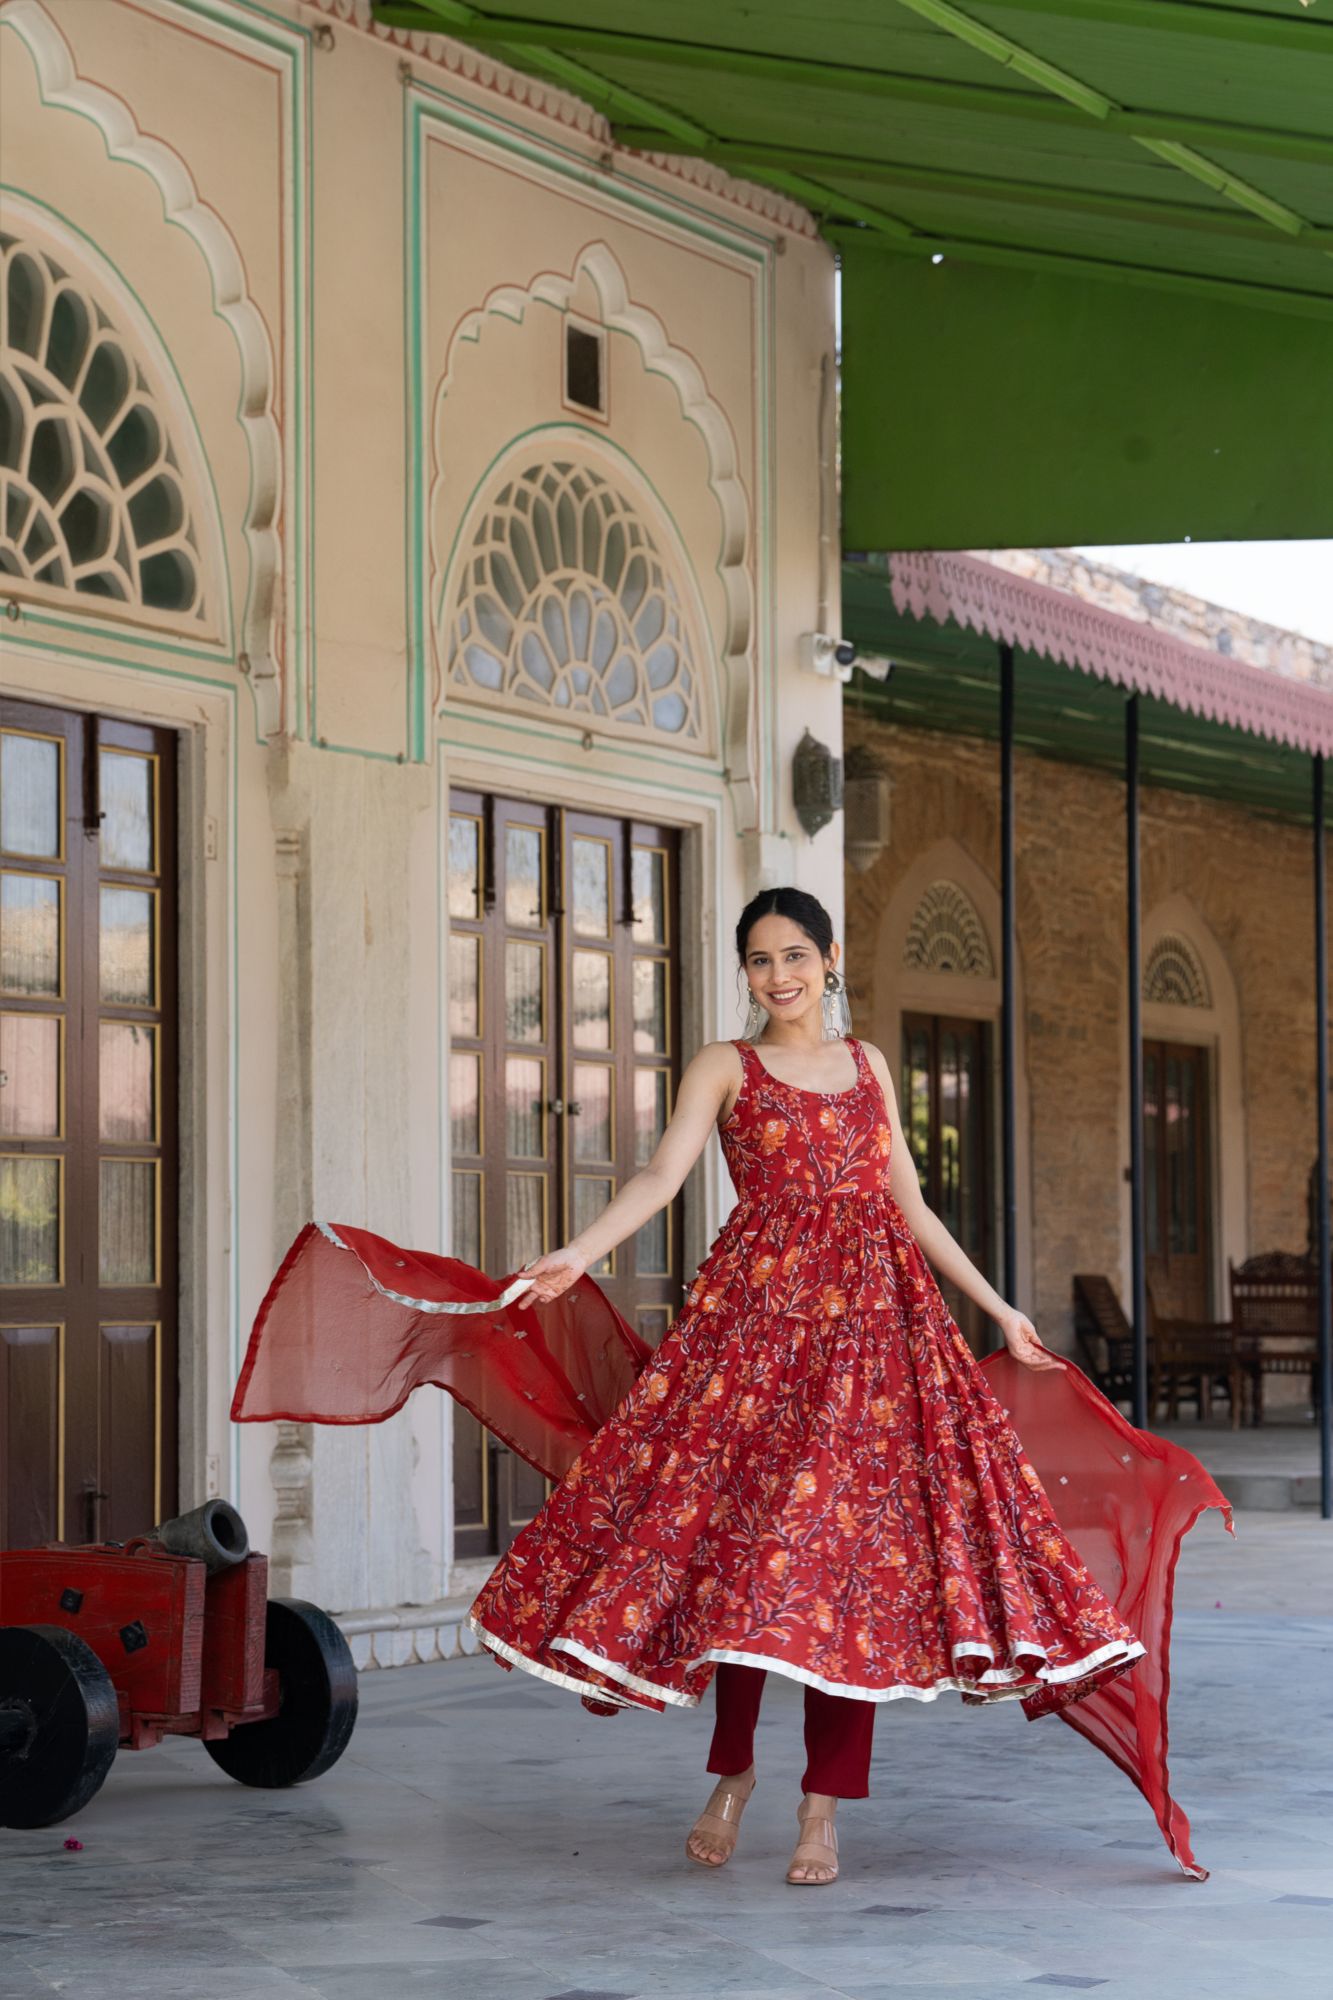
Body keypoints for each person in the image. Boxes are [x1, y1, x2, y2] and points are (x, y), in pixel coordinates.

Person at [464, 887, 1145, 1886]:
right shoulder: (725, 1066)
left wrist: (1000, 1310)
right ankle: (733, 1770)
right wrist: (575, 1252)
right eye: (756, 959)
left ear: (830, 957)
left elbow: (906, 1197)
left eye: (792, 954)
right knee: (750, 1556)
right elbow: (660, 1177)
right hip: (759, 1341)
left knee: (850, 1575)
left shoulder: (867, 1062)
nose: (776, 974)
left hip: (875, 1346)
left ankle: (822, 1807)